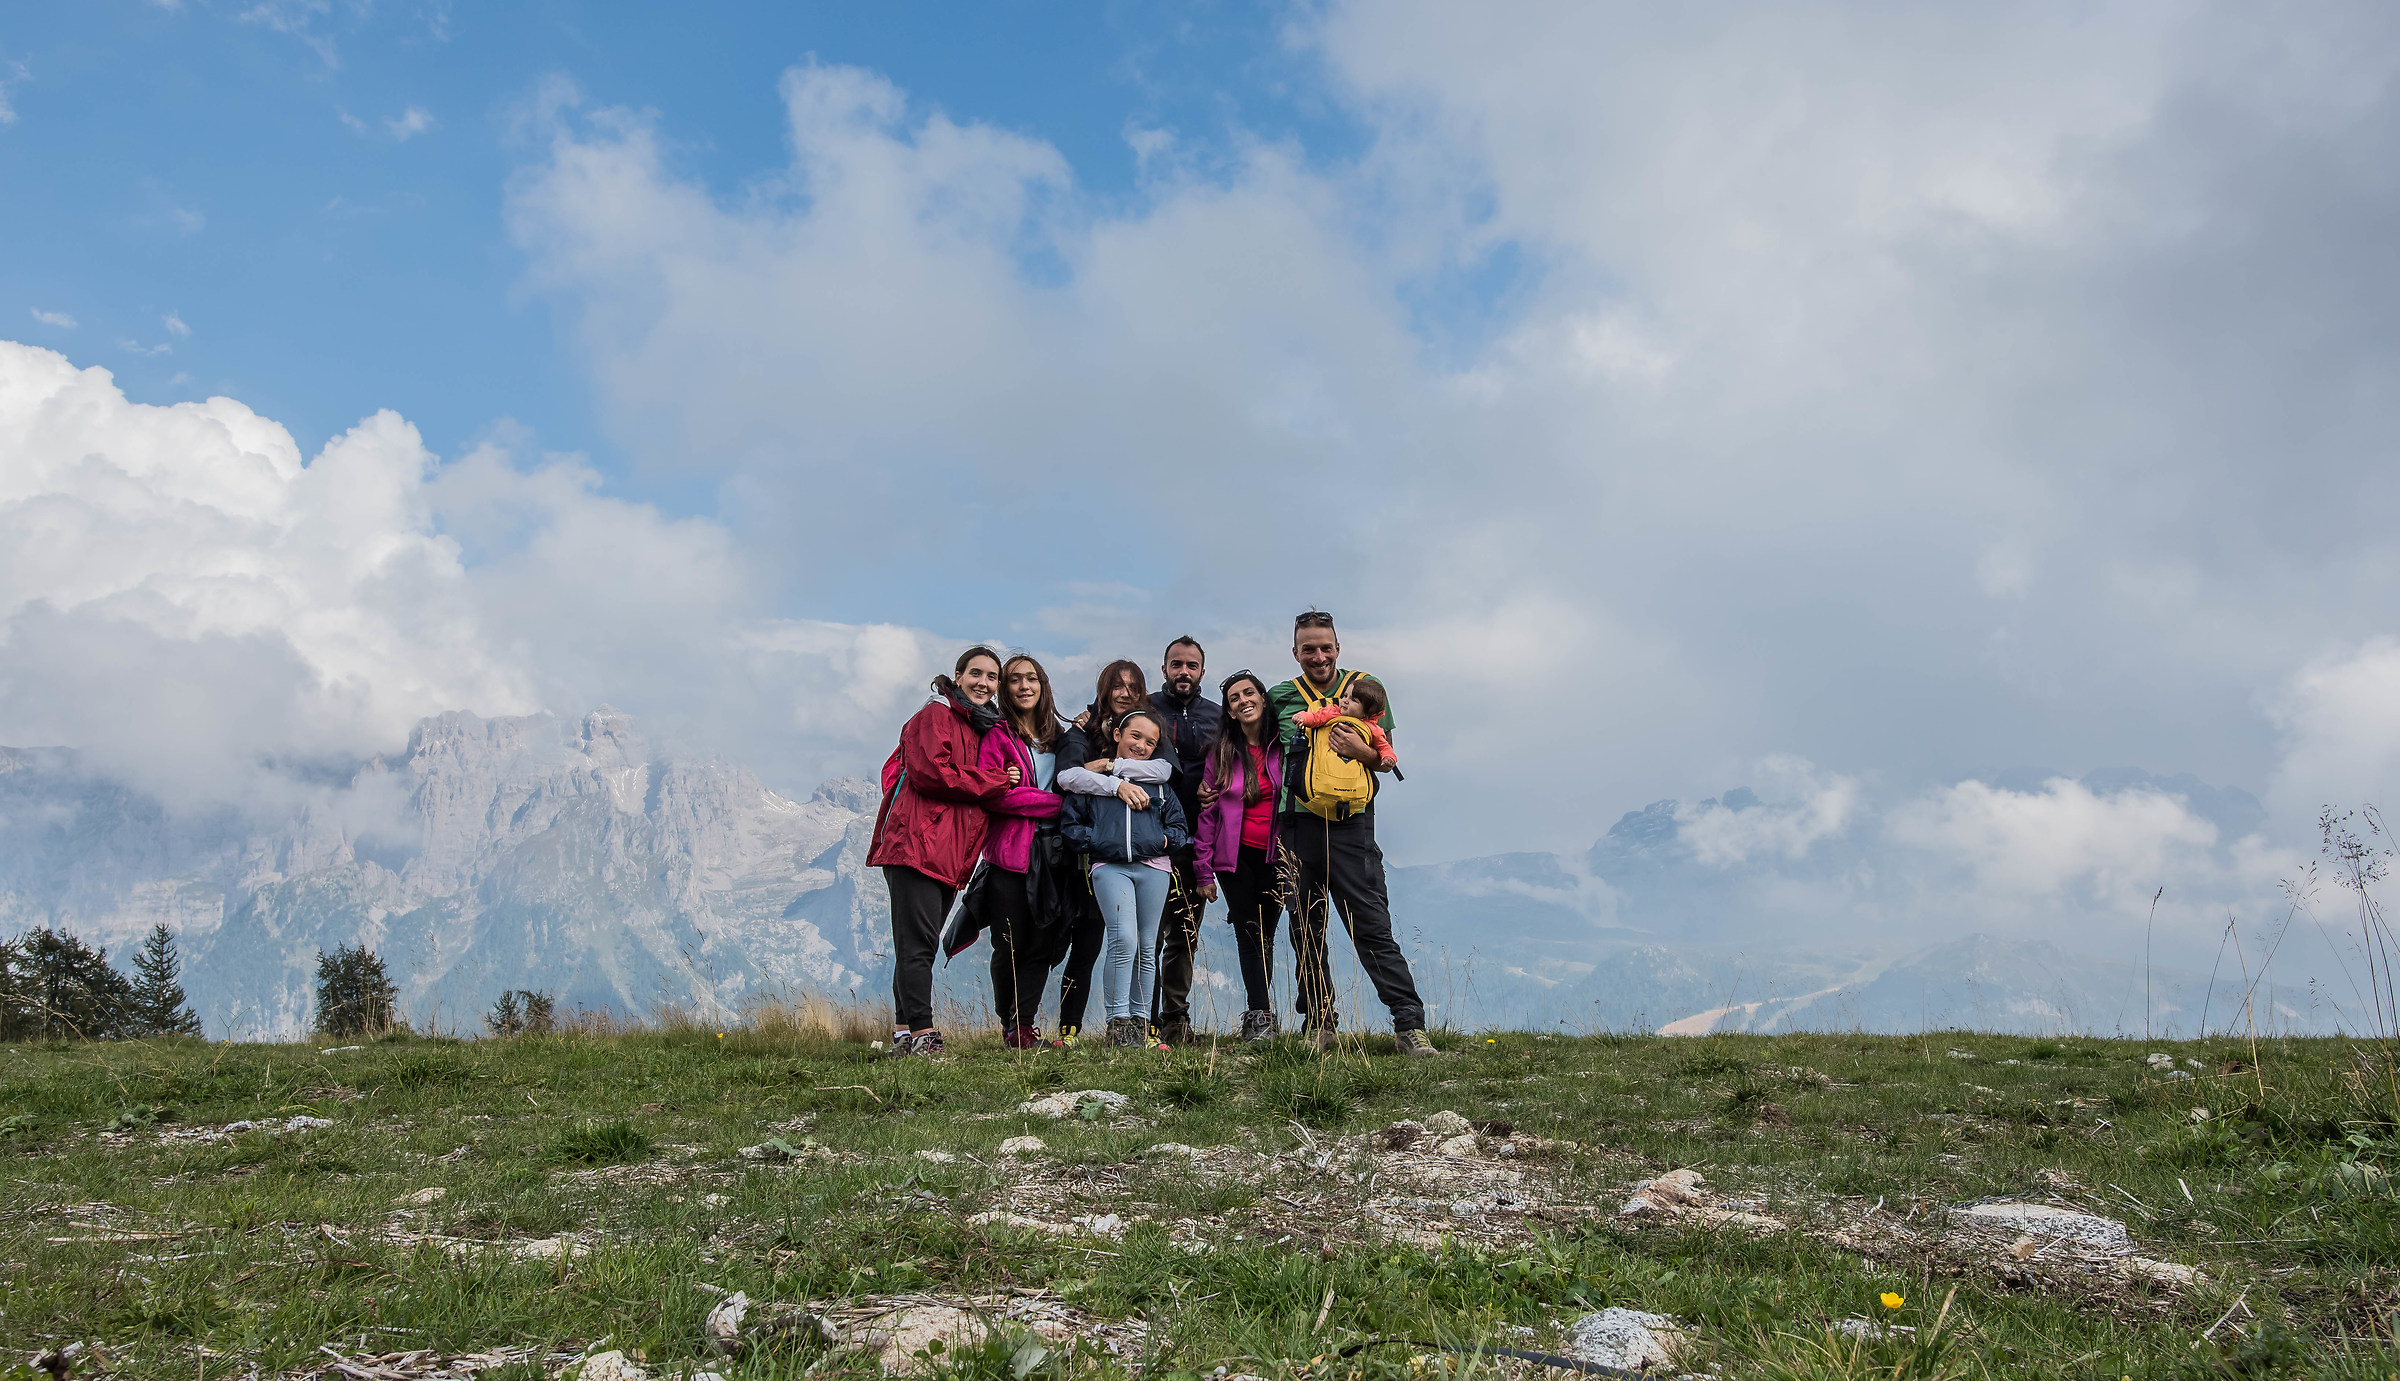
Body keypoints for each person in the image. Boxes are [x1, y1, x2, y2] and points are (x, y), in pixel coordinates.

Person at [1266, 611, 1439, 1058]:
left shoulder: (1365, 688)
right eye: (1309, 649)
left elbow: (1387, 757)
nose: (1318, 656)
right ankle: (1320, 1024)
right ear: (1296, 652)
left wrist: (1359, 750)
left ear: (1338, 648)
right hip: (1297, 823)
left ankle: (1409, 1024)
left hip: (1352, 824)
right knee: (1305, 925)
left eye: (1326, 647)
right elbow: (1255, 748)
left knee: (1371, 925)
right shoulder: (1281, 696)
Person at [866, 646, 1020, 1057]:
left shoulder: (980, 726)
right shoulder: (936, 715)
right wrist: (993, 781)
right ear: (958, 675)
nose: (983, 683)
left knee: (919, 944)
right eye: (976, 674)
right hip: (916, 845)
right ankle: (924, 1034)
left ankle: (903, 1033)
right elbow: (931, 772)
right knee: (918, 945)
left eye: (992, 677)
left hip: (946, 854)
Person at [1058, 710, 1190, 1050]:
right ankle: (1117, 1026)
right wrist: (1099, 843)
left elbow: (1179, 830)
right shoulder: (1093, 783)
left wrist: (1161, 843)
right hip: (1109, 867)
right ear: (1117, 735)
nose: (1142, 746)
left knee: (1148, 948)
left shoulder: (1160, 787)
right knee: (1123, 940)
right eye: (1135, 737)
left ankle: (1141, 1027)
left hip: (1155, 869)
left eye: (1150, 742)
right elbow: (1071, 826)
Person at [963, 654, 1066, 1049]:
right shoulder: (997, 736)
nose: (1024, 686)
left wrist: (1029, 794)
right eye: (1014, 680)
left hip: (1055, 856)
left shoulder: (1061, 737)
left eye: (1032, 678)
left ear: (1043, 686)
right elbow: (997, 797)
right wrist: (1056, 803)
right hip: (1009, 856)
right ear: (1004, 690)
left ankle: (1024, 1026)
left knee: (1045, 941)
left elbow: (1077, 781)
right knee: (1008, 942)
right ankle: (1009, 1022)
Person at [1048, 660, 1152, 1046]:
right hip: (1093, 856)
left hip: (1139, 857)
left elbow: (1166, 768)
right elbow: (1067, 778)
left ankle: (1140, 1026)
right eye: (1117, 686)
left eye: (1133, 686)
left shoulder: (1148, 729)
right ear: (1103, 690)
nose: (1125, 692)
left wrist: (1108, 766)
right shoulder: (1081, 732)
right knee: (1088, 941)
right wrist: (1114, 777)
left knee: (1141, 943)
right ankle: (1069, 1029)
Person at [1192, 670, 1285, 1042]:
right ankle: (1260, 1017)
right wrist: (1202, 870)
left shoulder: (1285, 745)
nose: (1243, 700)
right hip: (1235, 859)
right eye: (1234, 698)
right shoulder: (1222, 753)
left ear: (1263, 698)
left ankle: (1305, 1015)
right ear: (1229, 711)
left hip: (1278, 856)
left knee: (1270, 935)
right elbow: (1209, 813)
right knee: (1250, 934)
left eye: (1249, 693)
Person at [1147, 636, 1222, 1044]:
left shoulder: (1217, 715)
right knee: (1148, 935)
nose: (1184, 672)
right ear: (1164, 670)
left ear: (1202, 673)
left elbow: (1234, 763)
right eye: (1176, 664)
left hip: (1199, 844)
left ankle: (1175, 1023)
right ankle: (1139, 1024)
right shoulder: (1145, 709)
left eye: (1191, 666)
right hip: (1150, 839)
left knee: (1185, 936)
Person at [1290, 675, 1397, 770]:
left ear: (1367, 712)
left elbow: (1383, 746)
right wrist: (1302, 717)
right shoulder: (1333, 712)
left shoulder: (1372, 728)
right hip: (1327, 767)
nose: (1345, 701)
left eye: (1353, 700)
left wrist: (1388, 757)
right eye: (1345, 695)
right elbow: (1316, 717)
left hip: (1351, 773)